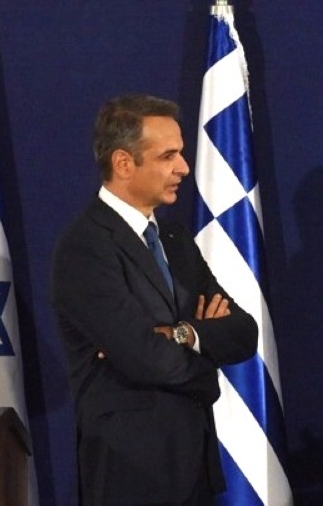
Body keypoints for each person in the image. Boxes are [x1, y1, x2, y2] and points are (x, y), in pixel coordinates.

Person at [51, 94, 258, 505]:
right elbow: (146, 357)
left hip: (194, 465)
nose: (183, 168)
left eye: (180, 153)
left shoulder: (175, 240)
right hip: (131, 473)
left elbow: (243, 332)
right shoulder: (85, 248)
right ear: (124, 163)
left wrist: (182, 333)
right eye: (168, 156)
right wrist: (207, 360)